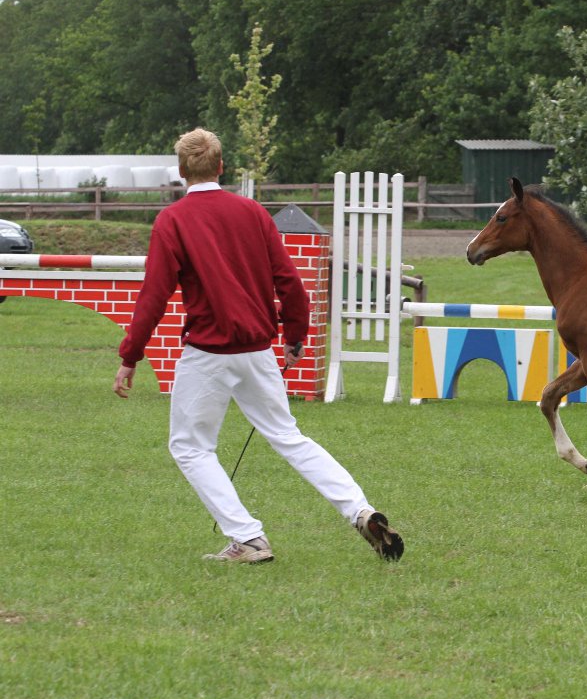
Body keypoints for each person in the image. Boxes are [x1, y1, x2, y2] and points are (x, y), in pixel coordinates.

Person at [112, 128, 403, 564]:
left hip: (208, 353)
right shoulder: (253, 213)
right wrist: (296, 337)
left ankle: (247, 538)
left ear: (180, 171)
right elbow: (290, 282)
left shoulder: (172, 220)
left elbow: (153, 296)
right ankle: (359, 509)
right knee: (289, 437)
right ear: (222, 166)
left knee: (191, 447)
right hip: (258, 349)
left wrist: (131, 356)